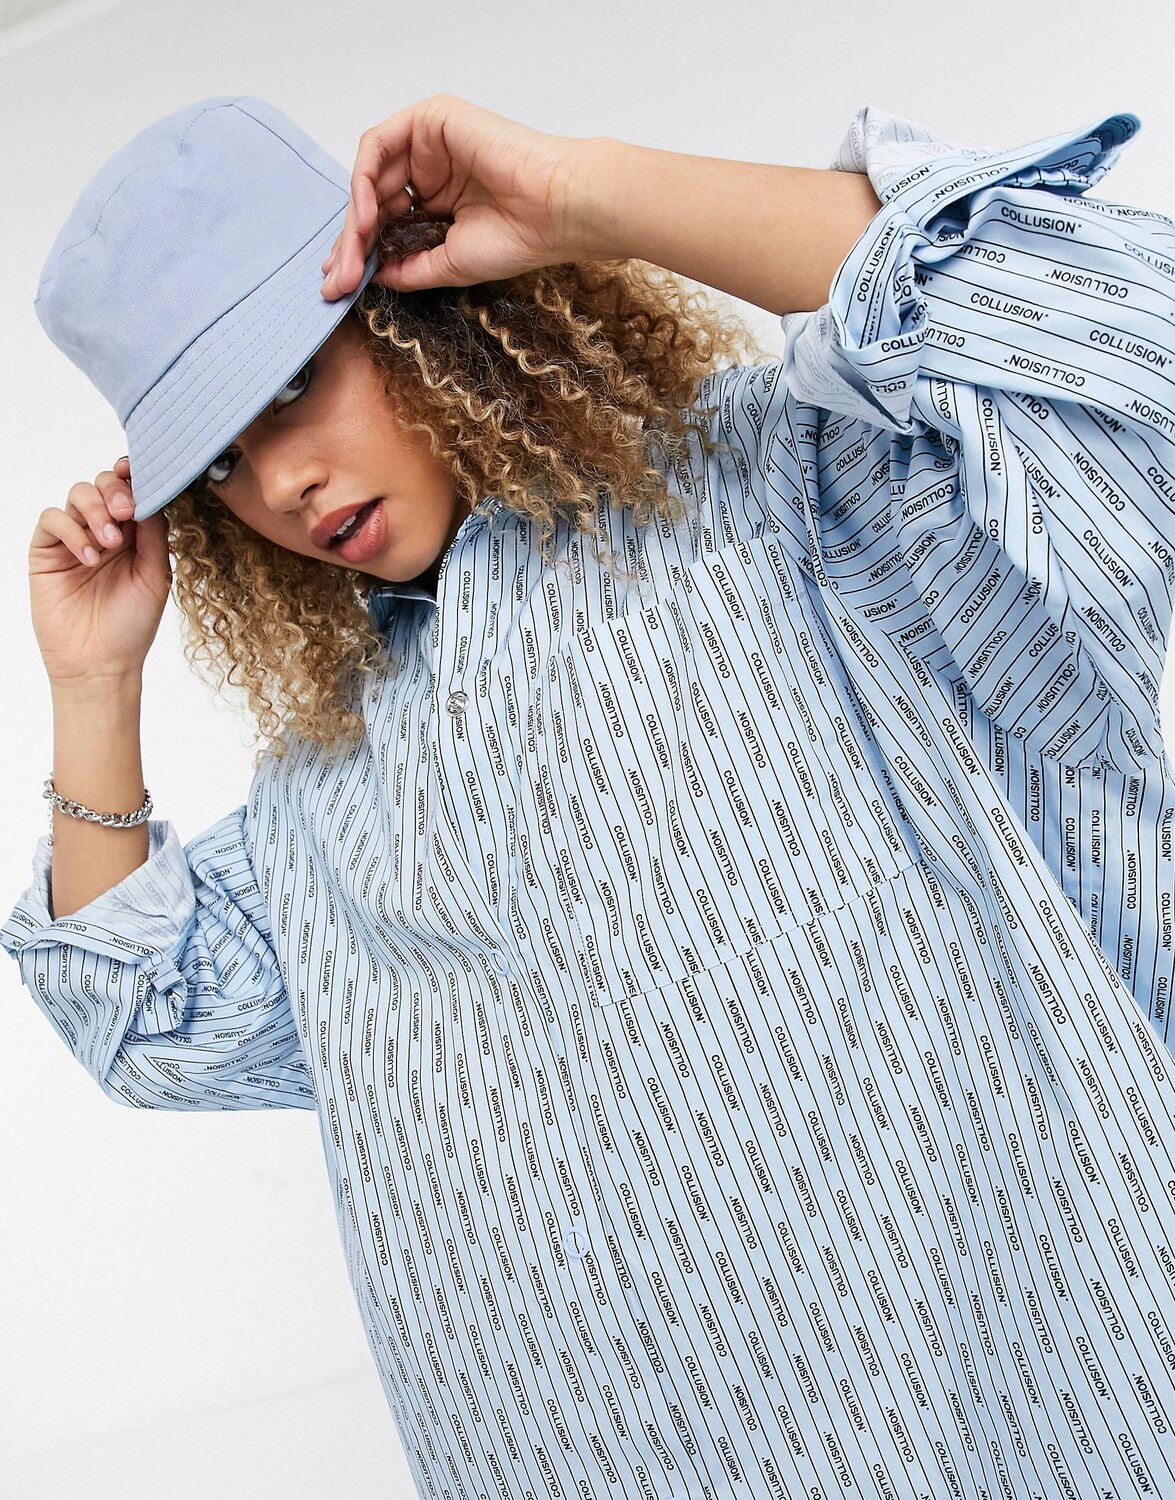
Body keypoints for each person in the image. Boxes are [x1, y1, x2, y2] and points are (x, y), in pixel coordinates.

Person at [6, 90, 1175, 1499]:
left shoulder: (791, 484)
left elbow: (1099, 336)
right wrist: (92, 687)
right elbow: (156, 1020)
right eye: (221, 465)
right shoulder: (330, 783)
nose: (285, 481)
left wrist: (587, 194)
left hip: (1030, 1430)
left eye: (293, 386)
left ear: (413, 306)